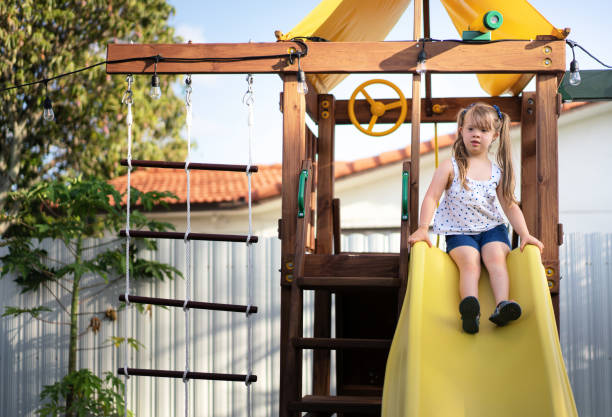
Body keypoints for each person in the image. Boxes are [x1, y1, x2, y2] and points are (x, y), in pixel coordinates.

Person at [408, 102, 544, 334]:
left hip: (492, 229)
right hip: (459, 232)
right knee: (470, 263)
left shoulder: (497, 172)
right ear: (461, 130)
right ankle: (470, 309)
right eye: (471, 129)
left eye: (483, 130)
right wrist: (423, 228)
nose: (476, 135)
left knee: (495, 259)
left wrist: (525, 234)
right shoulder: (451, 166)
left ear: (494, 136)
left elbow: (510, 205)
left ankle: (502, 305)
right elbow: (432, 196)